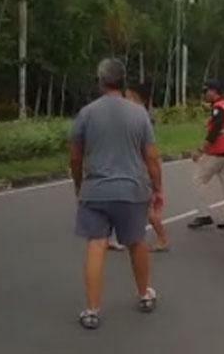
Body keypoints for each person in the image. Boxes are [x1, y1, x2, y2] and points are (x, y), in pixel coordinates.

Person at [70, 59, 163, 330]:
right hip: (132, 190)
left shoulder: (86, 113)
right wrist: (158, 189)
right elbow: (152, 158)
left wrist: (78, 184)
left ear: (100, 81)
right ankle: (145, 294)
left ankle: (92, 310)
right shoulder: (139, 114)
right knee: (136, 242)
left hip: (95, 190)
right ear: (122, 82)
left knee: (96, 244)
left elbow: (75, 157)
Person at [187, 79, 224, 230]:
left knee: (198, 180)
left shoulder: (218, 107)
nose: (204, 94)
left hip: (219, 151)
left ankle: (204, 214)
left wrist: (201, 151)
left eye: (206, 91)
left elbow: (215, 130)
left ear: (214, 91)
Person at [125, 82, 169, 252]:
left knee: (147, 209)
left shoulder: (141, 117)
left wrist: (157, 182)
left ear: (135, 97)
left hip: (141, 170)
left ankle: (163, 238)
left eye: (127, 96)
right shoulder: (137, 116)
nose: (125, 99)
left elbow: (150, 153)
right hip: (135, 167)